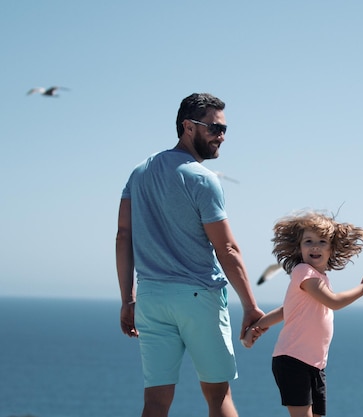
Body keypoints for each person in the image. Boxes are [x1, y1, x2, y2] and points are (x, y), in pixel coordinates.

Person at [115, 92, 264, 417]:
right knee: (218, 397)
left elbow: (123, 236)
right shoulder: (202, 179)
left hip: (152, 298)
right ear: (187, 126)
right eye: (213, 128)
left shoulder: (139, 173)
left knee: (155, 401)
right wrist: (250, 306)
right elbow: (226, 248)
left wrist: (127, 299)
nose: (221, 136)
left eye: (224, 129)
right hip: (199, 298)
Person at [242, 211, 363, 417]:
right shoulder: (303, 272)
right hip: (292, 360)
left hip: (315, 364)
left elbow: (286, 310)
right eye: (308, 241)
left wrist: (257, 327)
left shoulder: (321, 278)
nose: (315, 246)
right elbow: (334, 302)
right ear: (299, 248)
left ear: (332, 248)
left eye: (322, 241)